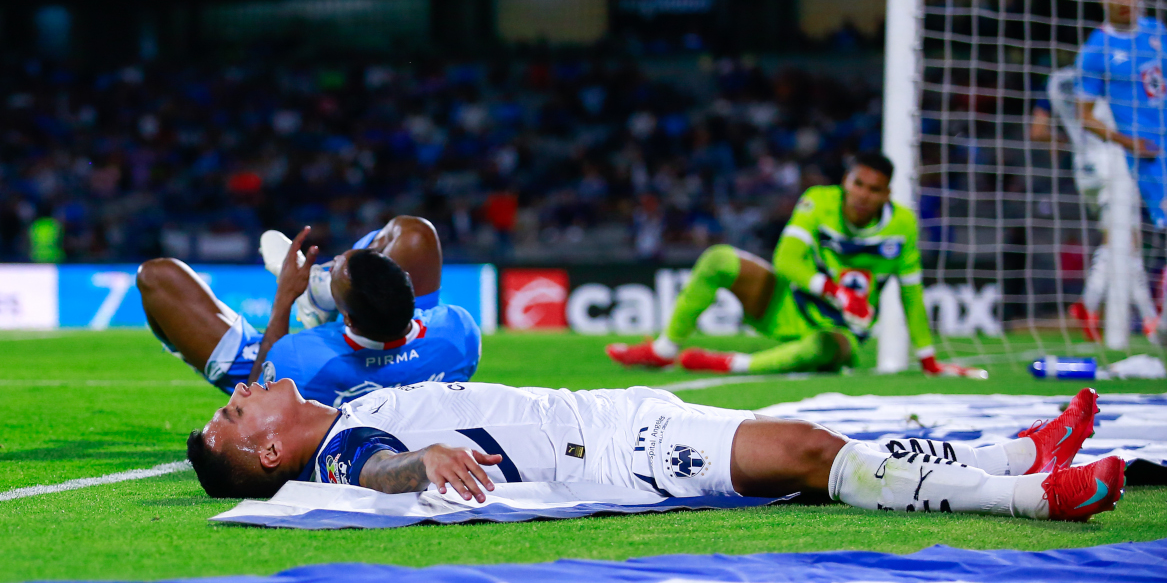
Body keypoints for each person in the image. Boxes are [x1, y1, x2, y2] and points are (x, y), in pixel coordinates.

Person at [186, 379, 1122, 525]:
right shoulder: (350, 444)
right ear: (270, 453)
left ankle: (1007, 453)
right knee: (801, 449)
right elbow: (371, 472)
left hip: (611, 409)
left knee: (818, 443)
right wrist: (413, 468)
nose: (236, 397)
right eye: (231, 418)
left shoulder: (346, 397)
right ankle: (1033, 500)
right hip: (610, 451)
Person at [606, 152, 984, 378]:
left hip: (838, 331)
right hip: (787, 303)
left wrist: (928, 359)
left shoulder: (902, 226)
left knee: (823, 346)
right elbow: (785, 259)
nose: (864, 195)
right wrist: (831, 290)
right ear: (846, 182)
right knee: (719, 258)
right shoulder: (818, 201)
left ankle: (732, 364)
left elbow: (911, 295)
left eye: (874, 189)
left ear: (887, 193)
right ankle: (665, 349)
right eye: (858, 184)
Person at [137, 216, 481, 408]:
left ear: (345, 319)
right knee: (417, 233)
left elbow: (253, 402)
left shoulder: (298, 360)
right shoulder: (457, 335)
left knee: (155, 277)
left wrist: (285, 298)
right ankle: (320, 295)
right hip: (379, 344)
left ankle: (315, 297)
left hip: (269, 368)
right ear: (407, 287)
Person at [1064, 0, 1161, 341]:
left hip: (1118, 158)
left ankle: (1090, 306)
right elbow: (1079, 116)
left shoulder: (1154, 36)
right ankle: (1150, 319)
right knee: (1125, 237)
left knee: (1121, 239)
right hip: (1105, 161)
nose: (1123, 0)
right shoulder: (1095, 53)